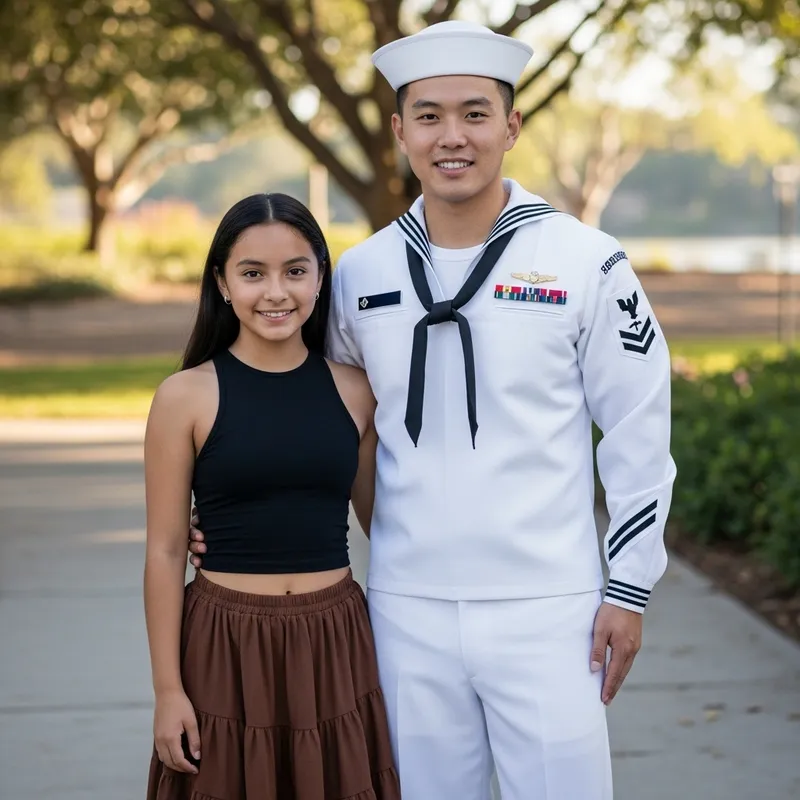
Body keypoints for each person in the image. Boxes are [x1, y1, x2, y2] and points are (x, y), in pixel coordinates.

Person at [189, 20, 676, 800]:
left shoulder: (587, 261)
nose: (453, 136)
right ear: (399, 131)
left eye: (476, 114)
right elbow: (324, 422)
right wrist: (224, 505)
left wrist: (629, 589)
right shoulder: (357, 273)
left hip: (550, 610)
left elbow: (640, 431)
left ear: (511, 126)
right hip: (404, 608)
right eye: (429, 115)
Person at [143, 193, 400, 800]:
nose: (276, 292)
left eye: (296, 270)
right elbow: (163, 550)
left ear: (320, 276)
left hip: (334, 638)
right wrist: (167, 691)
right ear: (223, 284)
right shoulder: (185, 396)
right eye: (252, 273)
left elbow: (384, 522)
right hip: (223, 643)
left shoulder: (358, 391)